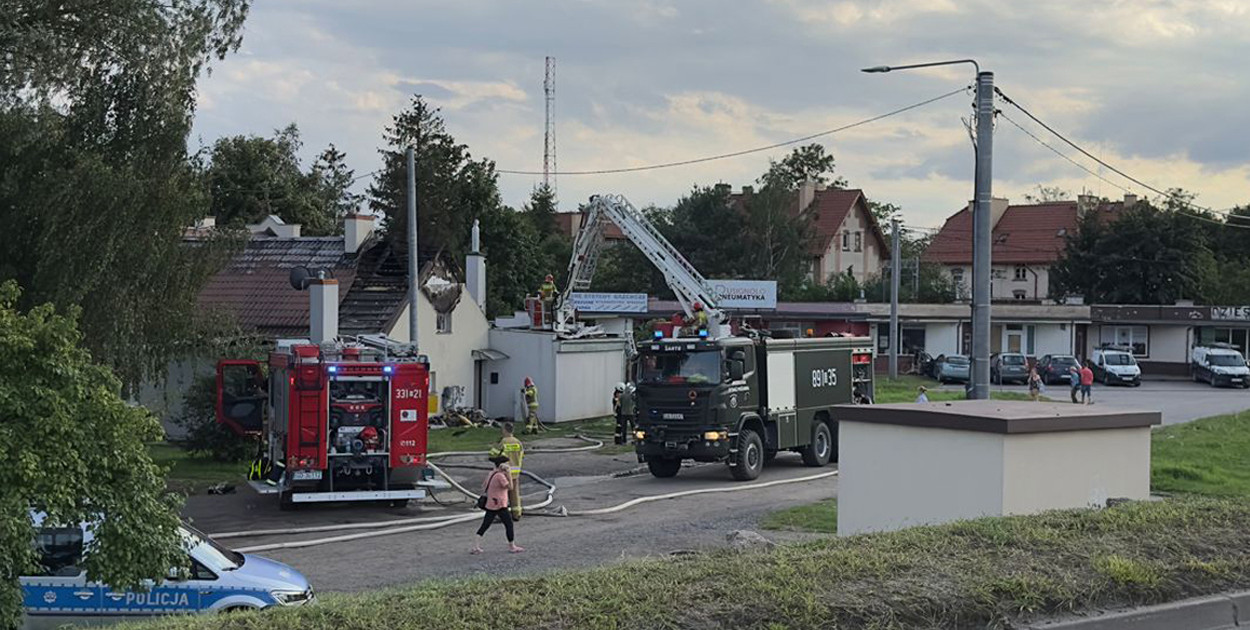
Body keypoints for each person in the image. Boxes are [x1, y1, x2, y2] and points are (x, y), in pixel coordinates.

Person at [471, 455, 524, 554]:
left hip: (491, 503)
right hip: (500, 504)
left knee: (485, 525)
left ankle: (476, 546)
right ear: (502, 465)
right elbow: (510, 487)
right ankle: (512, 546)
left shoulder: (491, 473)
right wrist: (508, 474)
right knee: (509, 524)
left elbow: (483, 486)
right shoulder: (500, 476)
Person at [489, 422, 525, 519]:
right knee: (514, 493)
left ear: (505, 430)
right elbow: (521, 456)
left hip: (504, 472)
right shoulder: (518, 442)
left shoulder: (504, 442)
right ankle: (516, 513)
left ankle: (503, 515)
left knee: (502, 494)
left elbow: (493, 454)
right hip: (515, 472)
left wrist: (495, 445)